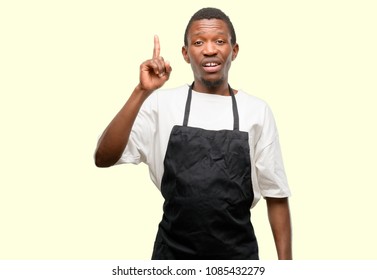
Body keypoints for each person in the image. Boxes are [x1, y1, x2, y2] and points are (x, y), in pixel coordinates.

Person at [95, 7, 292, 260]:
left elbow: (276, 195)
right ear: (186, 54)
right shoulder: (160, 105)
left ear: (234, 50)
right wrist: (141, 92)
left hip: (238, 259)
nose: (210, 50)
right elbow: (104, 158)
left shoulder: (257, 111)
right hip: (172, 258)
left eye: (220, 41)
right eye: (199, 42)